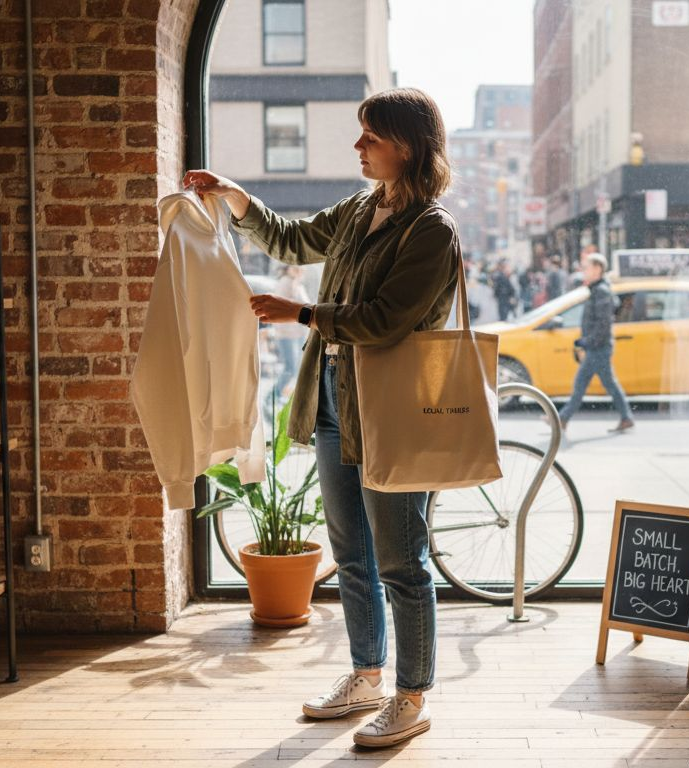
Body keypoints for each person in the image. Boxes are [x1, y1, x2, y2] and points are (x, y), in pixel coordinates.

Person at [182, 86, 458, 749]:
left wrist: (300, 313)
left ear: (407, 146)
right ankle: (366, 675)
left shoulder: (431, 229)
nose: (358, 146)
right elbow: (293, 238)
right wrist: (233, 194)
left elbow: (388, 319)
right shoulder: (362, 209)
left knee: (403, 561)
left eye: (370, 136)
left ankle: (412, 694)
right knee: (353, 555)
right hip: (335, 397)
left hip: (390, 405)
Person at [557, 252, 635, 434]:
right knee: (605, 383)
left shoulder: (601, 291)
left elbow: (603, 324)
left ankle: (562, 418)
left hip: (598, 347)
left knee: (582, 384)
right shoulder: (597, 289)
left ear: (598, 269)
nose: (584, 271)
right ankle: (626, 417)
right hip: (597, 346)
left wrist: (587, 342)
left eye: (587, 267)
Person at [269, 264, 310, 410]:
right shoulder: (286, 283)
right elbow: (285, 309)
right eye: (296, 267)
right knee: (290, 368)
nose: (300, 270)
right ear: (288, 268)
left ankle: (276, 397)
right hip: (286, 335)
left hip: (296, 335)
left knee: (293, 368)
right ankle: (271, 397)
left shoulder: (297, 283)